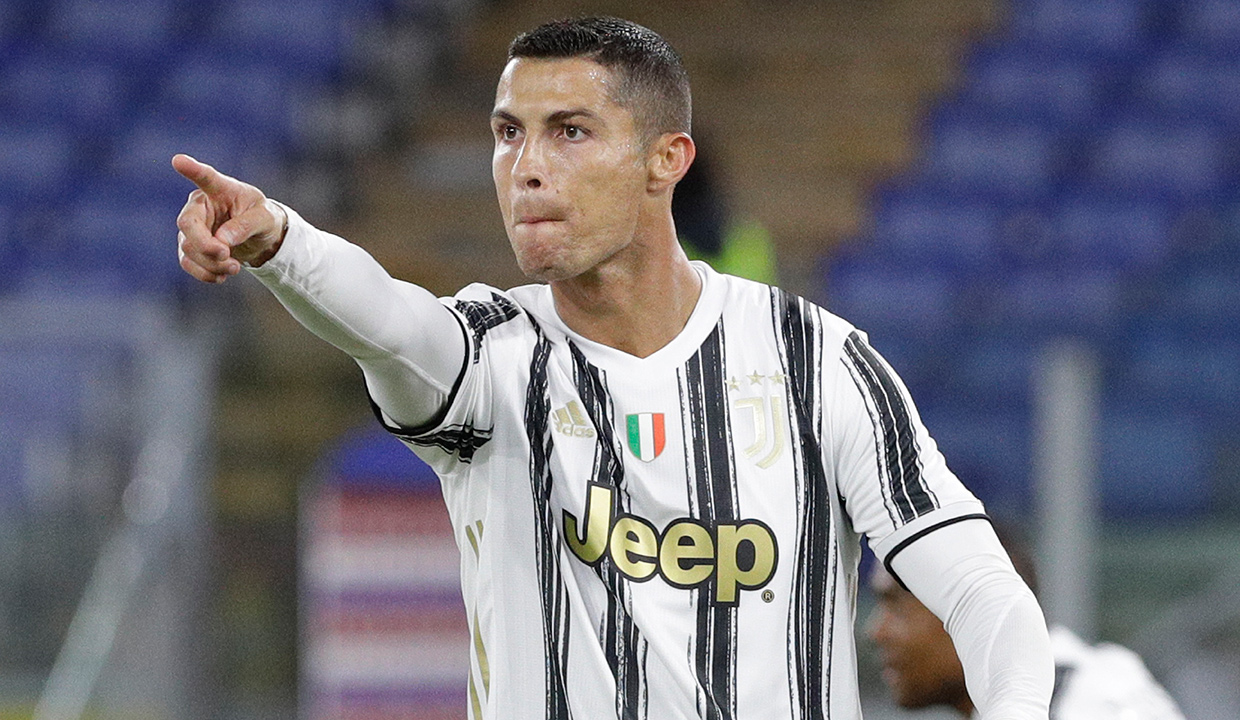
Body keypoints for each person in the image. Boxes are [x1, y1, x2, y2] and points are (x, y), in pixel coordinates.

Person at [174, 16, 1054, 720]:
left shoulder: (815, 361)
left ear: (666, 160)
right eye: (508, 134)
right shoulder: (489, 358)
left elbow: (984, 591)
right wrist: (278, 240)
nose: (526, 169)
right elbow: (388, 320)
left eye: (569, 132)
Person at [867, 525, 1186, 720]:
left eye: (897, 606)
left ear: (977, 607)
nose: (876, 632)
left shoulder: (1079, 702)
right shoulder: (1073, 684)